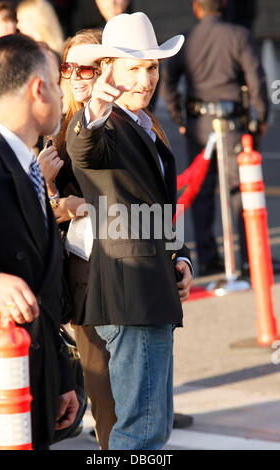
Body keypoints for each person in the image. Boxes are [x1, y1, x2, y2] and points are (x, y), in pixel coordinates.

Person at [66, 12, 193, 450]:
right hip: (129, 296)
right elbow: (82, 147)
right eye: (133, 66)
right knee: (139, 430)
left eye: (152, 66)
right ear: (107, 70)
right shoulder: (105, 123)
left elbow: (159, 208)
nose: (146, 78)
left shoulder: (144, 124)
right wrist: (95, 108)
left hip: (151, 289)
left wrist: (181, 258)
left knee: (152, 427)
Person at [0, 33, 79, 450]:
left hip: (34, 373)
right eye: (58, 84)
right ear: (38, 89)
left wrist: (60, 376)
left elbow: (43, 283)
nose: (62, 94)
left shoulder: (29, 164)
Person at [38, 28, 117, 450]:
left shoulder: (134, 121)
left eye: (87, 67)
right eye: (69, 68)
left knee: (142, 405)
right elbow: (43, 214)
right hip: (84, 278)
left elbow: (158, 203)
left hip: (132, 276)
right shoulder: (60, 127)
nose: (77, 76)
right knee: (105, 403)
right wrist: (51, 191)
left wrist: (181, 259)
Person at [161, 0, 269, 277]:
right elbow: (256, 81)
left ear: (197, 8)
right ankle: (247, 258)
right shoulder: (239, 35)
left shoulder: (187, 40)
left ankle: (208, 257)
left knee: (202, 191)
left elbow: (168, 81)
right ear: (222, 6)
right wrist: (261, 119)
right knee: (238, 192)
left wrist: (179, 118)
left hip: (199, 124)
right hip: (232, 123)